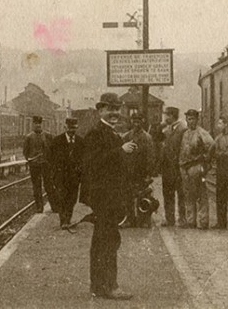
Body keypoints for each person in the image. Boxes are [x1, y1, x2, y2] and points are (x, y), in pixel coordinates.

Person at [81, 92, 136, 300]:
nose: (115, 113)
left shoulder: (110, 133)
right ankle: (109, 287)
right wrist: (120, 151)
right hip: (104, 199)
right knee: (107, 241)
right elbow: (92, 164)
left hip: (110, 198)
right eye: (110, 109)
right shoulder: (96, 133)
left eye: (117, 109)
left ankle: (99, 286)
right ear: (100, 110)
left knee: (105, 241)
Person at [179, 109, 214, 229]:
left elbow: (211, 146)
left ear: (197, 119)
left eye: (192, 118)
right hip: (185, 167)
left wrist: (205, 164)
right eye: (188, 119)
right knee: (188, 195)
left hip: (196, 166)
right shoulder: (185, 133)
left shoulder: (202, 133)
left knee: (201, 195)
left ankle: (203, 222)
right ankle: (191, 221)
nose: (190, 121)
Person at [121, 112, 156, 228]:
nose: (136, 123)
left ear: (143, 121)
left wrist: (149, 174)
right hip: (128, 171)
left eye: (138, 121)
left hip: (142, 172)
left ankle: (144, 220)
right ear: (131, 122)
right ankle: (129, 219)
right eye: (134, 121)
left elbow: (151, 157)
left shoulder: (147, 137)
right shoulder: (126, 136)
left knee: (144, 196)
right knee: (128, 196)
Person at [50, 117, 85, 228]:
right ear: (65, 127)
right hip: (60, 176)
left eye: (74, 128)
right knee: (62, 198)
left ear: (77, 128)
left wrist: (80, 172)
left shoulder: (80, 141)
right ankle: (63, 220)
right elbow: (50, 158)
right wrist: (54, 173)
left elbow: (84, 159)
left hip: (74, 177)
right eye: (69, 128)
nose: (71, 131)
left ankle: (68, 219)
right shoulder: (57, 141)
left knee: (72, 199)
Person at [159, 107, 187, 227]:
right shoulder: (168, 129)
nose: (165, 118)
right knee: (168, 194)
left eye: (167, 115)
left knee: (181, 194)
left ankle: (182, 219)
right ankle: (170, 218)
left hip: (177, 167)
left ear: (172, 116)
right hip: (167, 168)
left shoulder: (182, 129)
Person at [209, 115, 228, 230]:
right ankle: (221, 223)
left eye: (220, 123)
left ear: (227, 124)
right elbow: (212, 150)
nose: (218, 126)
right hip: (221, 170)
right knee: (220, 196)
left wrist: (220, 154)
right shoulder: (219, 137)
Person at [23, 116, 53, 213]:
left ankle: (54, 206)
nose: (38, 125)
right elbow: (25, 152)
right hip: (34, 165)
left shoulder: (48, 136)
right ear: (33, 124)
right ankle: (39, 207)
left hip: (46, 164)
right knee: (37, 187)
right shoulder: (29, 137)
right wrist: (30, 160)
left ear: (41, 124)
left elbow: (52, 150)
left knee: (49, 185)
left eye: (39, 123)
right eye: (36, 123)